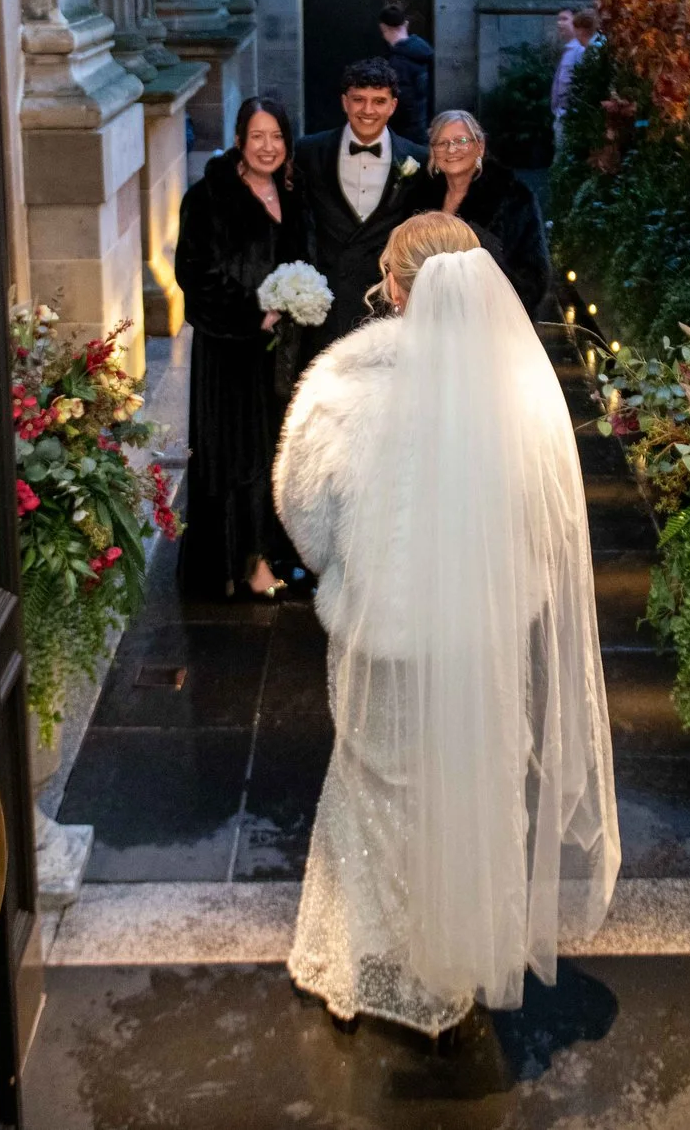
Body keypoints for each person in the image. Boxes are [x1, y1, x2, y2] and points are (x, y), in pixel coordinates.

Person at [273, 214, 619, 1037]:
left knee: (374, 789)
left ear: (396, 290)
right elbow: (548, 521)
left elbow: (304, 514)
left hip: (383, 643)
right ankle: (456, 958)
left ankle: (370, 955)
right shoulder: (515, 390)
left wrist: (351, 570)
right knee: (464, 788)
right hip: (479, 638)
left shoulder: (345, 387)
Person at [172, 98, 309, 600]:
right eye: (257, 136)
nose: (268, 147)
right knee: (236, 456)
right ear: (238, 140)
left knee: (276, 451)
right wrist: (254, 313)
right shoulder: (208, 197)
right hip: (228, 353)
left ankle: (271, 551)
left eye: (277, 136)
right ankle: (241, 565)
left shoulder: (292, 193)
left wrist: (298, 302)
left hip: (280, 353)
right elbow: (194, 275)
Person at [294, 58, 428, 357]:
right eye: (359, 100)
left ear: (393, 105)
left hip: (385, 305)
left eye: (379, 101)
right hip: (325, 305)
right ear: (345, 102)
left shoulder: (418, 159)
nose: (368, 110)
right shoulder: (308, 152)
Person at [414, 109, 553, 317]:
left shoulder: (513, 197)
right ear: (433, 151)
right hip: (428, 317)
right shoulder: (419, 196)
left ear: (480, 146)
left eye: (461, 140)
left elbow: (536, 276)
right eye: (442, 143)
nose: (451, 149)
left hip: (493, 320)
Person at [376, 2, 433, 141]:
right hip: (423, 128)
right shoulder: (425, 52)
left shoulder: (397, 62)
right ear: (406, 24)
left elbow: (401, 105)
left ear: (383, 27)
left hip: (404, 134)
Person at [549, 9, 591, 151]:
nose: (559, 24)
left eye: (564, 19)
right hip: (563, 115)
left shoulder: (580, 49)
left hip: (571, 116)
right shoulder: (569, 50)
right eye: (558, 19)